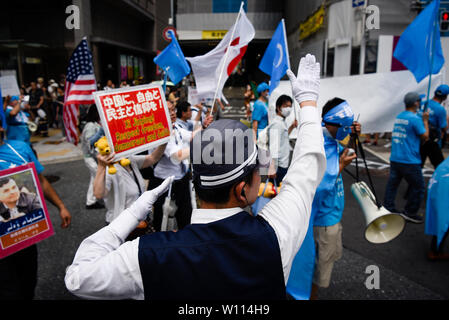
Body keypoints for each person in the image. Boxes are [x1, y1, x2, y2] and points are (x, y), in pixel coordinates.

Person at [64, 53, 326, 300]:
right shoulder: (275, 233)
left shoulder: (151, 253)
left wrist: (132, 213)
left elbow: (77, 278)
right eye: (257, 170)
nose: (262, 174)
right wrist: (308, 103)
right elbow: (306, 170)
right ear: (242, 190)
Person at [288, 98, 360, 300]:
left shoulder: (329, 138)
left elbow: (347, 153)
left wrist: (353, 138)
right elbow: (315, 187)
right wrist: (341, 166)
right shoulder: (318, 145)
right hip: (322, 221)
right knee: (314, 271)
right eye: (344, 127)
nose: (347, 130)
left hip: (330, 216)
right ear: (329, 122)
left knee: (317, 266)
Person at [0, 124, 71, 299]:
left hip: (25, 233)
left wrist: (61, 206)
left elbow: (41, 180)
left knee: (28, 282)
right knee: (8, 290)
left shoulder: (20, 148)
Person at [147, 101, 213, 232]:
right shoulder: (159, 131)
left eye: (173, 110)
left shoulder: (175, 127)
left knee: (185, 218)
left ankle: (184, 245)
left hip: (180, 179)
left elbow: (190, 136)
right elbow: (176, 156)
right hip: (165, 183)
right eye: (169, 110)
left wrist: (204, 126)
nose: (173, 113)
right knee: (164, 222)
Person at [93, 140, 167, 225]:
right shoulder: (110, 170)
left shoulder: (130, 160)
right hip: (121, 225)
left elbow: (153, 158)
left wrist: (164, 140)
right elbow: (98, 194)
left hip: (140, 221)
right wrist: (101, 166)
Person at [383, 92, 430, 224]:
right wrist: (425, 121)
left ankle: (388, 207)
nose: (420, 103)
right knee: (419, 186)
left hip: (396, 157)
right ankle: (410, 212)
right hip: (410, 160)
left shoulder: (400, 116)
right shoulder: (415, 119)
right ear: (416, 103)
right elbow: (425, 136)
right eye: (419, 101)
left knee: (393, 185)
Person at [268, 95, 297, 182]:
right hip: (278, 167)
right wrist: (272, 168)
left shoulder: (281, 122)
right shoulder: (276, 124)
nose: (288, 109)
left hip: (283, 165)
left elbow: (283, 138)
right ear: (278, 107)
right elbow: (273, 147)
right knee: (274, 192)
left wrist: (292, 126)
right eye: (285, 106)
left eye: (290, 106)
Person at [80, 105, 104, 210]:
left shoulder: (94, 124)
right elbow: (90, 142)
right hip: (90, 157)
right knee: (99, 176)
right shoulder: (90, 126)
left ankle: (90, 201)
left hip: (92, 157)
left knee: (94, 178)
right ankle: (96, 199)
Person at [425, 157, 449, 261]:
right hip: (443, 189)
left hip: (438, 188)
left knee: (440, 219)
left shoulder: (445, 164)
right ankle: (435, 251)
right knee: (444, 221)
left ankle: (435, 250)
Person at [420, 84, 449, 168]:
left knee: (418, 165)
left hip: (421, 137)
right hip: (432, 140)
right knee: (440, 167)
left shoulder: (424, 103)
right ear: (445, 97)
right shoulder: (440, 109)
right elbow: (444, 127)